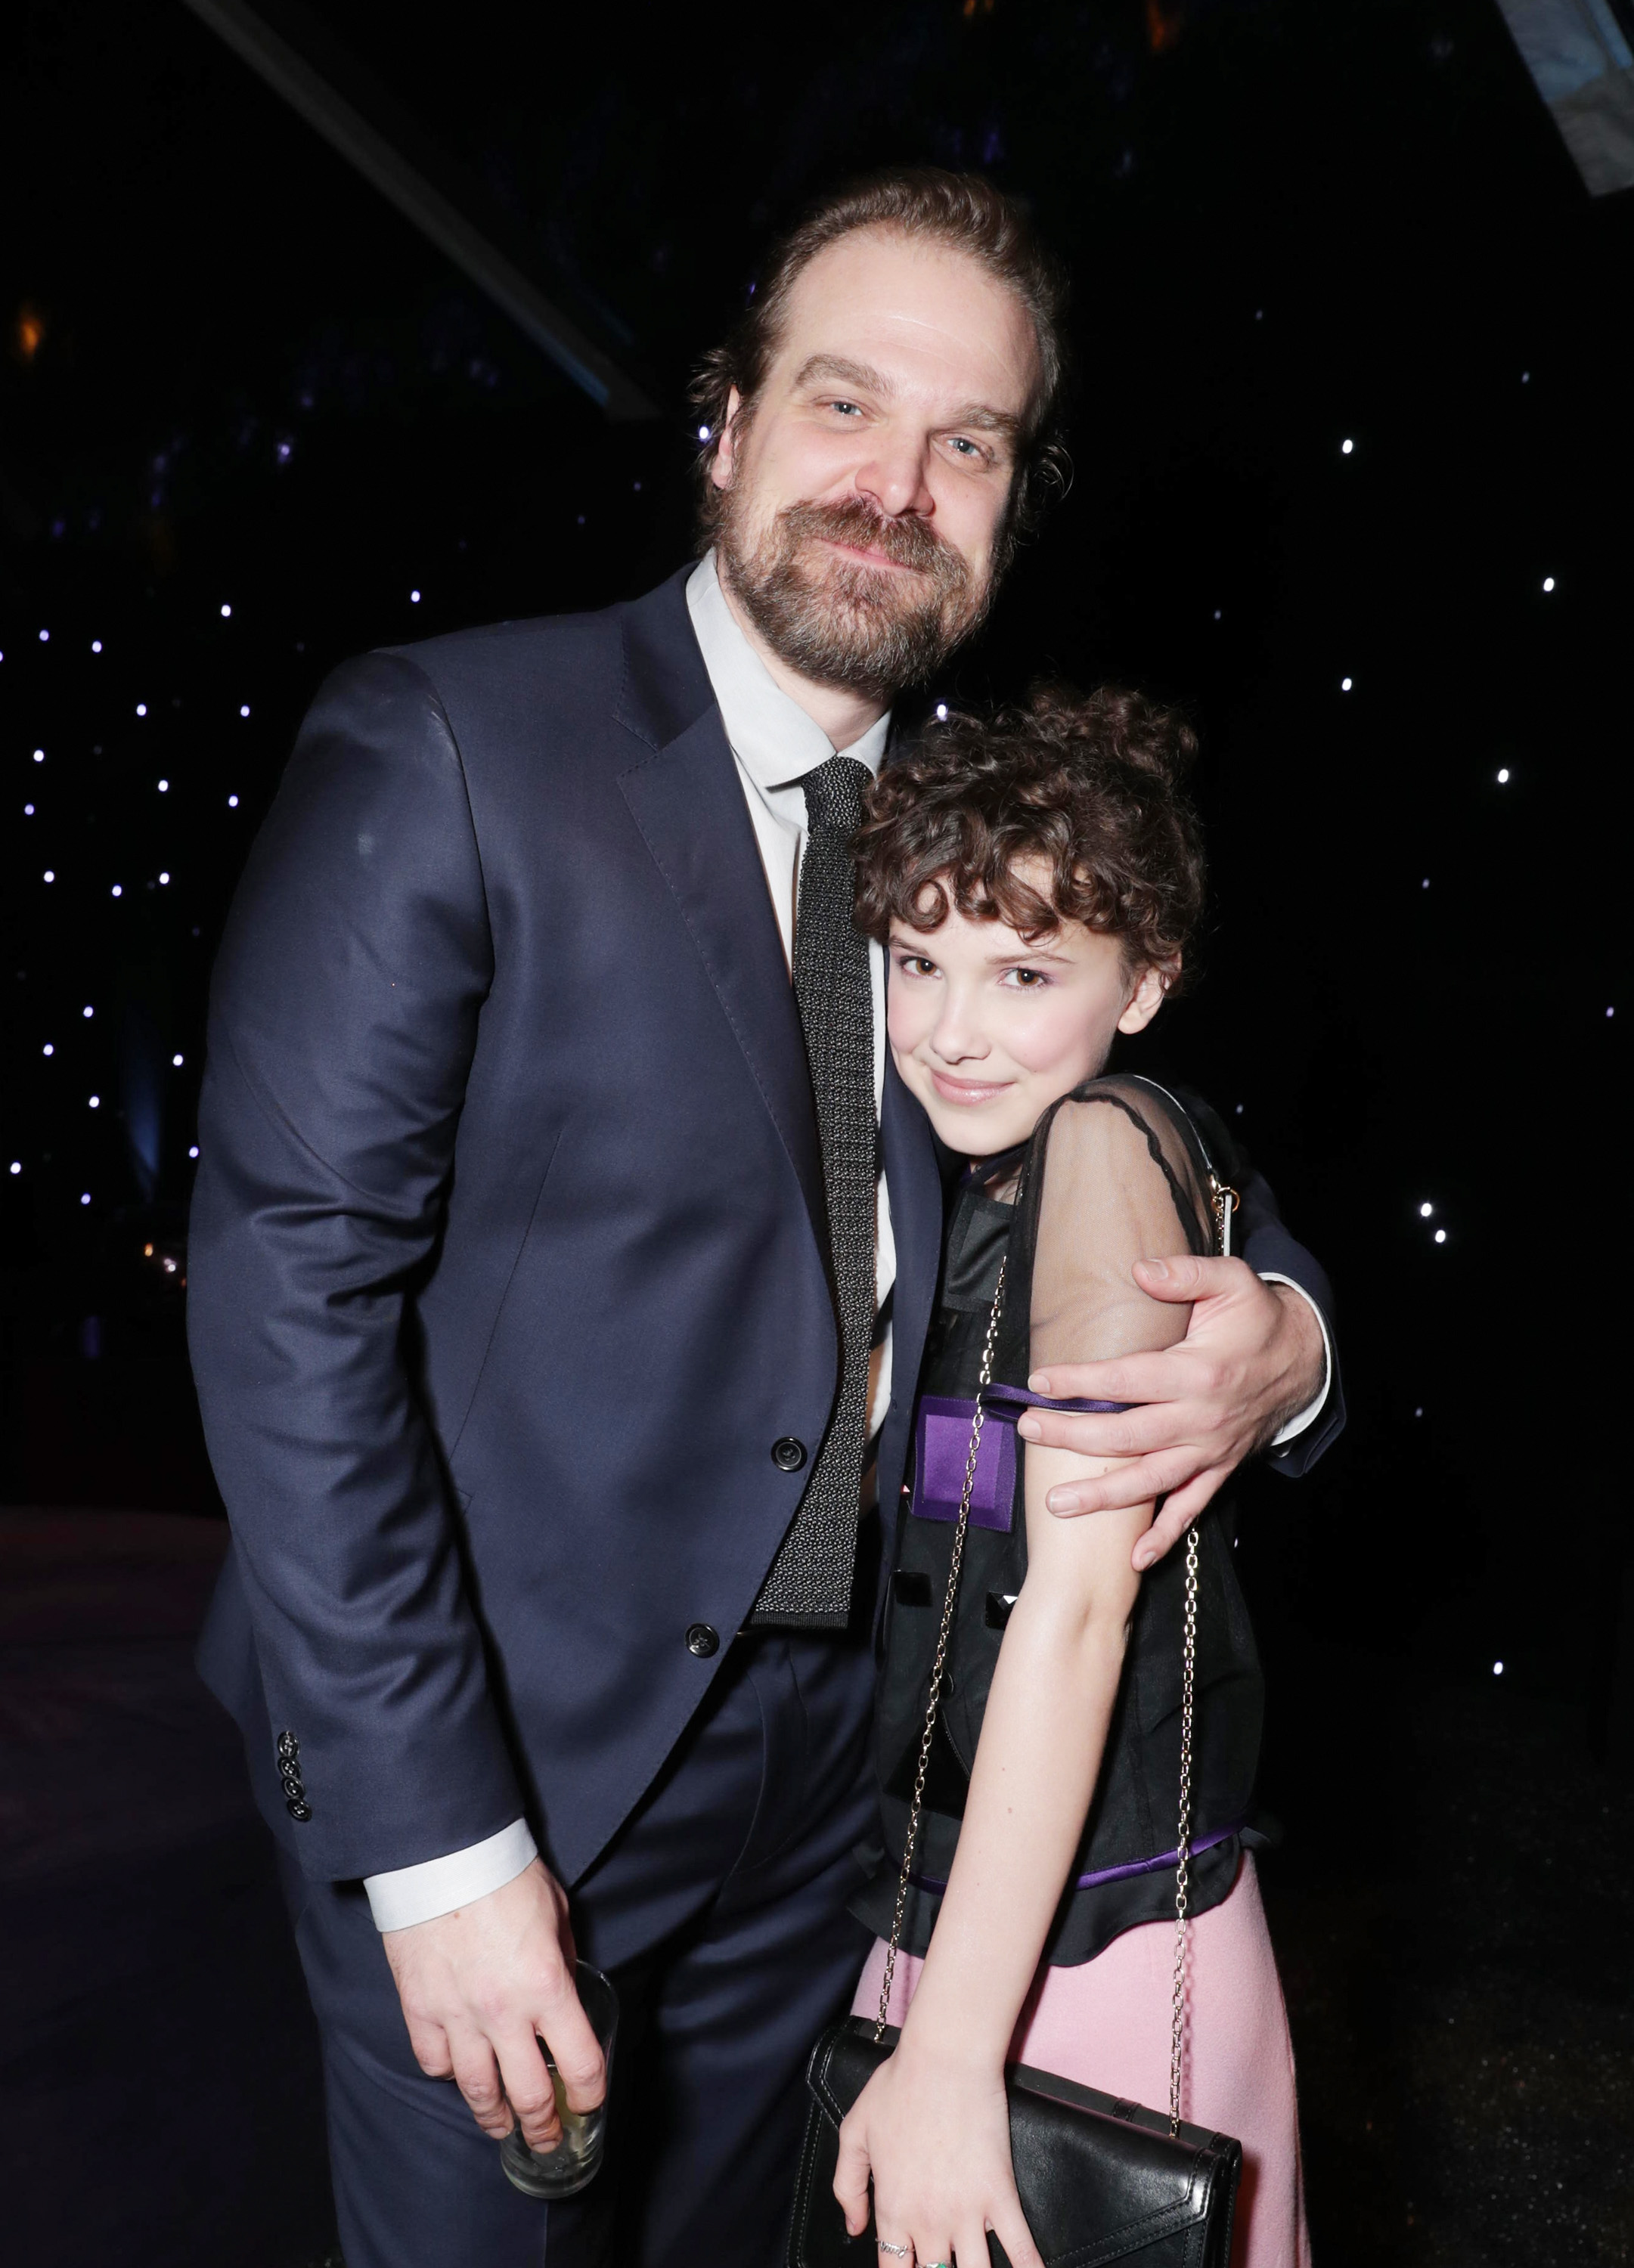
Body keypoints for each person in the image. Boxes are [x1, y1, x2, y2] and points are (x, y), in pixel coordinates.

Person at [185, 170, 1339, 2268]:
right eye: (842, 405)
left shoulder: (979, 826)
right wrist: (437, 1853)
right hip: (505, 1757)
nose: (896, 487)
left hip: (840, 1797)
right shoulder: (451, 742)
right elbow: (290, 1296)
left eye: (965, 442)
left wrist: (1289, 1332)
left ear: (1010, 502)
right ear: (724, 423)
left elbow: (1129, 1118)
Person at [834, 687, 1315, 2268]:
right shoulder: (987, 1164)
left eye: (1025, 971)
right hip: (960, 1903)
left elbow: (1073, 1620)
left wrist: (954, 2054)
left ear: (1148, 980)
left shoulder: (1107, 1140)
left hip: (1075, 1954)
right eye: (917, 962)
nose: (951, 1028)